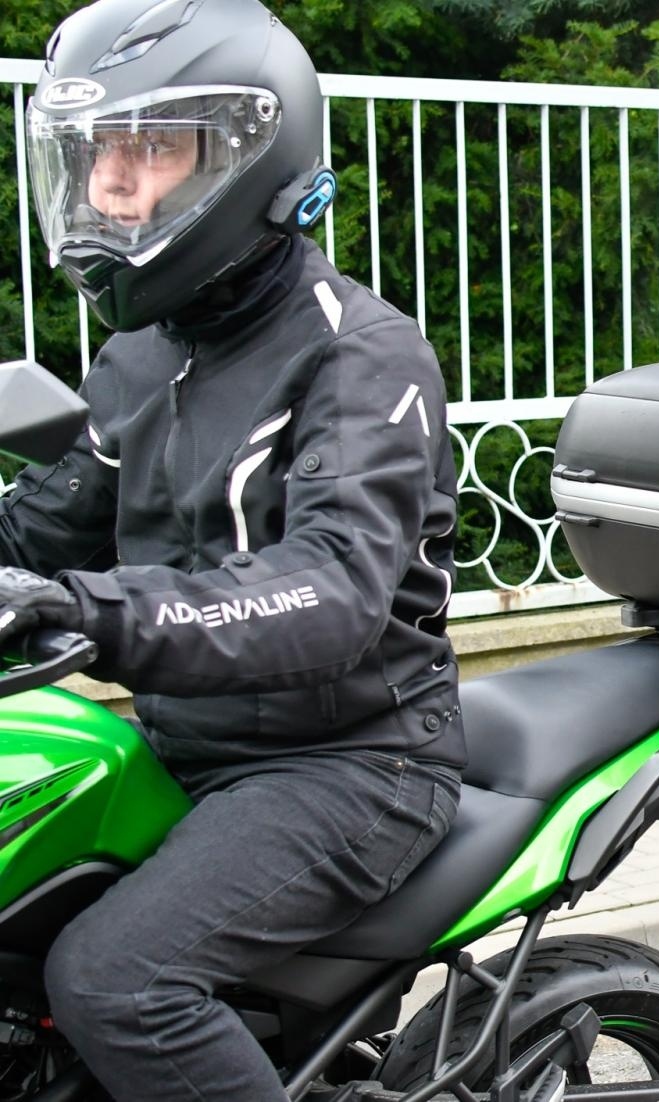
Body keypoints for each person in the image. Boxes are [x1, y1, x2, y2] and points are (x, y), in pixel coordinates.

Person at [0, 0, 463, 1096]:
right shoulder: (137, 355)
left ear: (256, 156)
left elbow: (333, 590)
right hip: (187, 747)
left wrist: (86, 612)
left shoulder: (361, 357)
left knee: (115, 980)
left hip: (353, 763)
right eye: (98, 151)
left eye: (153, 146)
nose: (112, 183)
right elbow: (46, 522)